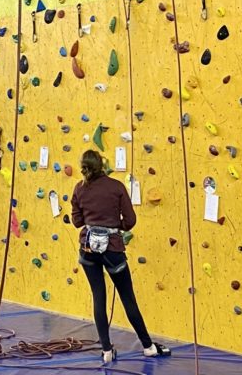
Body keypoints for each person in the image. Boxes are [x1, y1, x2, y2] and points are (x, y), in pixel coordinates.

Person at [71, 150, 171, 364]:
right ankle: (148, 347)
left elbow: (77, 222)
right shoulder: (116, 187)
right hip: (113, 250)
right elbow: (130, 220)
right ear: (103, 165)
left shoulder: (80, 188)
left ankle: (106, 351)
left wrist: (94, 222)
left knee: (99, 297)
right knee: (127, 298)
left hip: (88, 249)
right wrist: (115, 227)